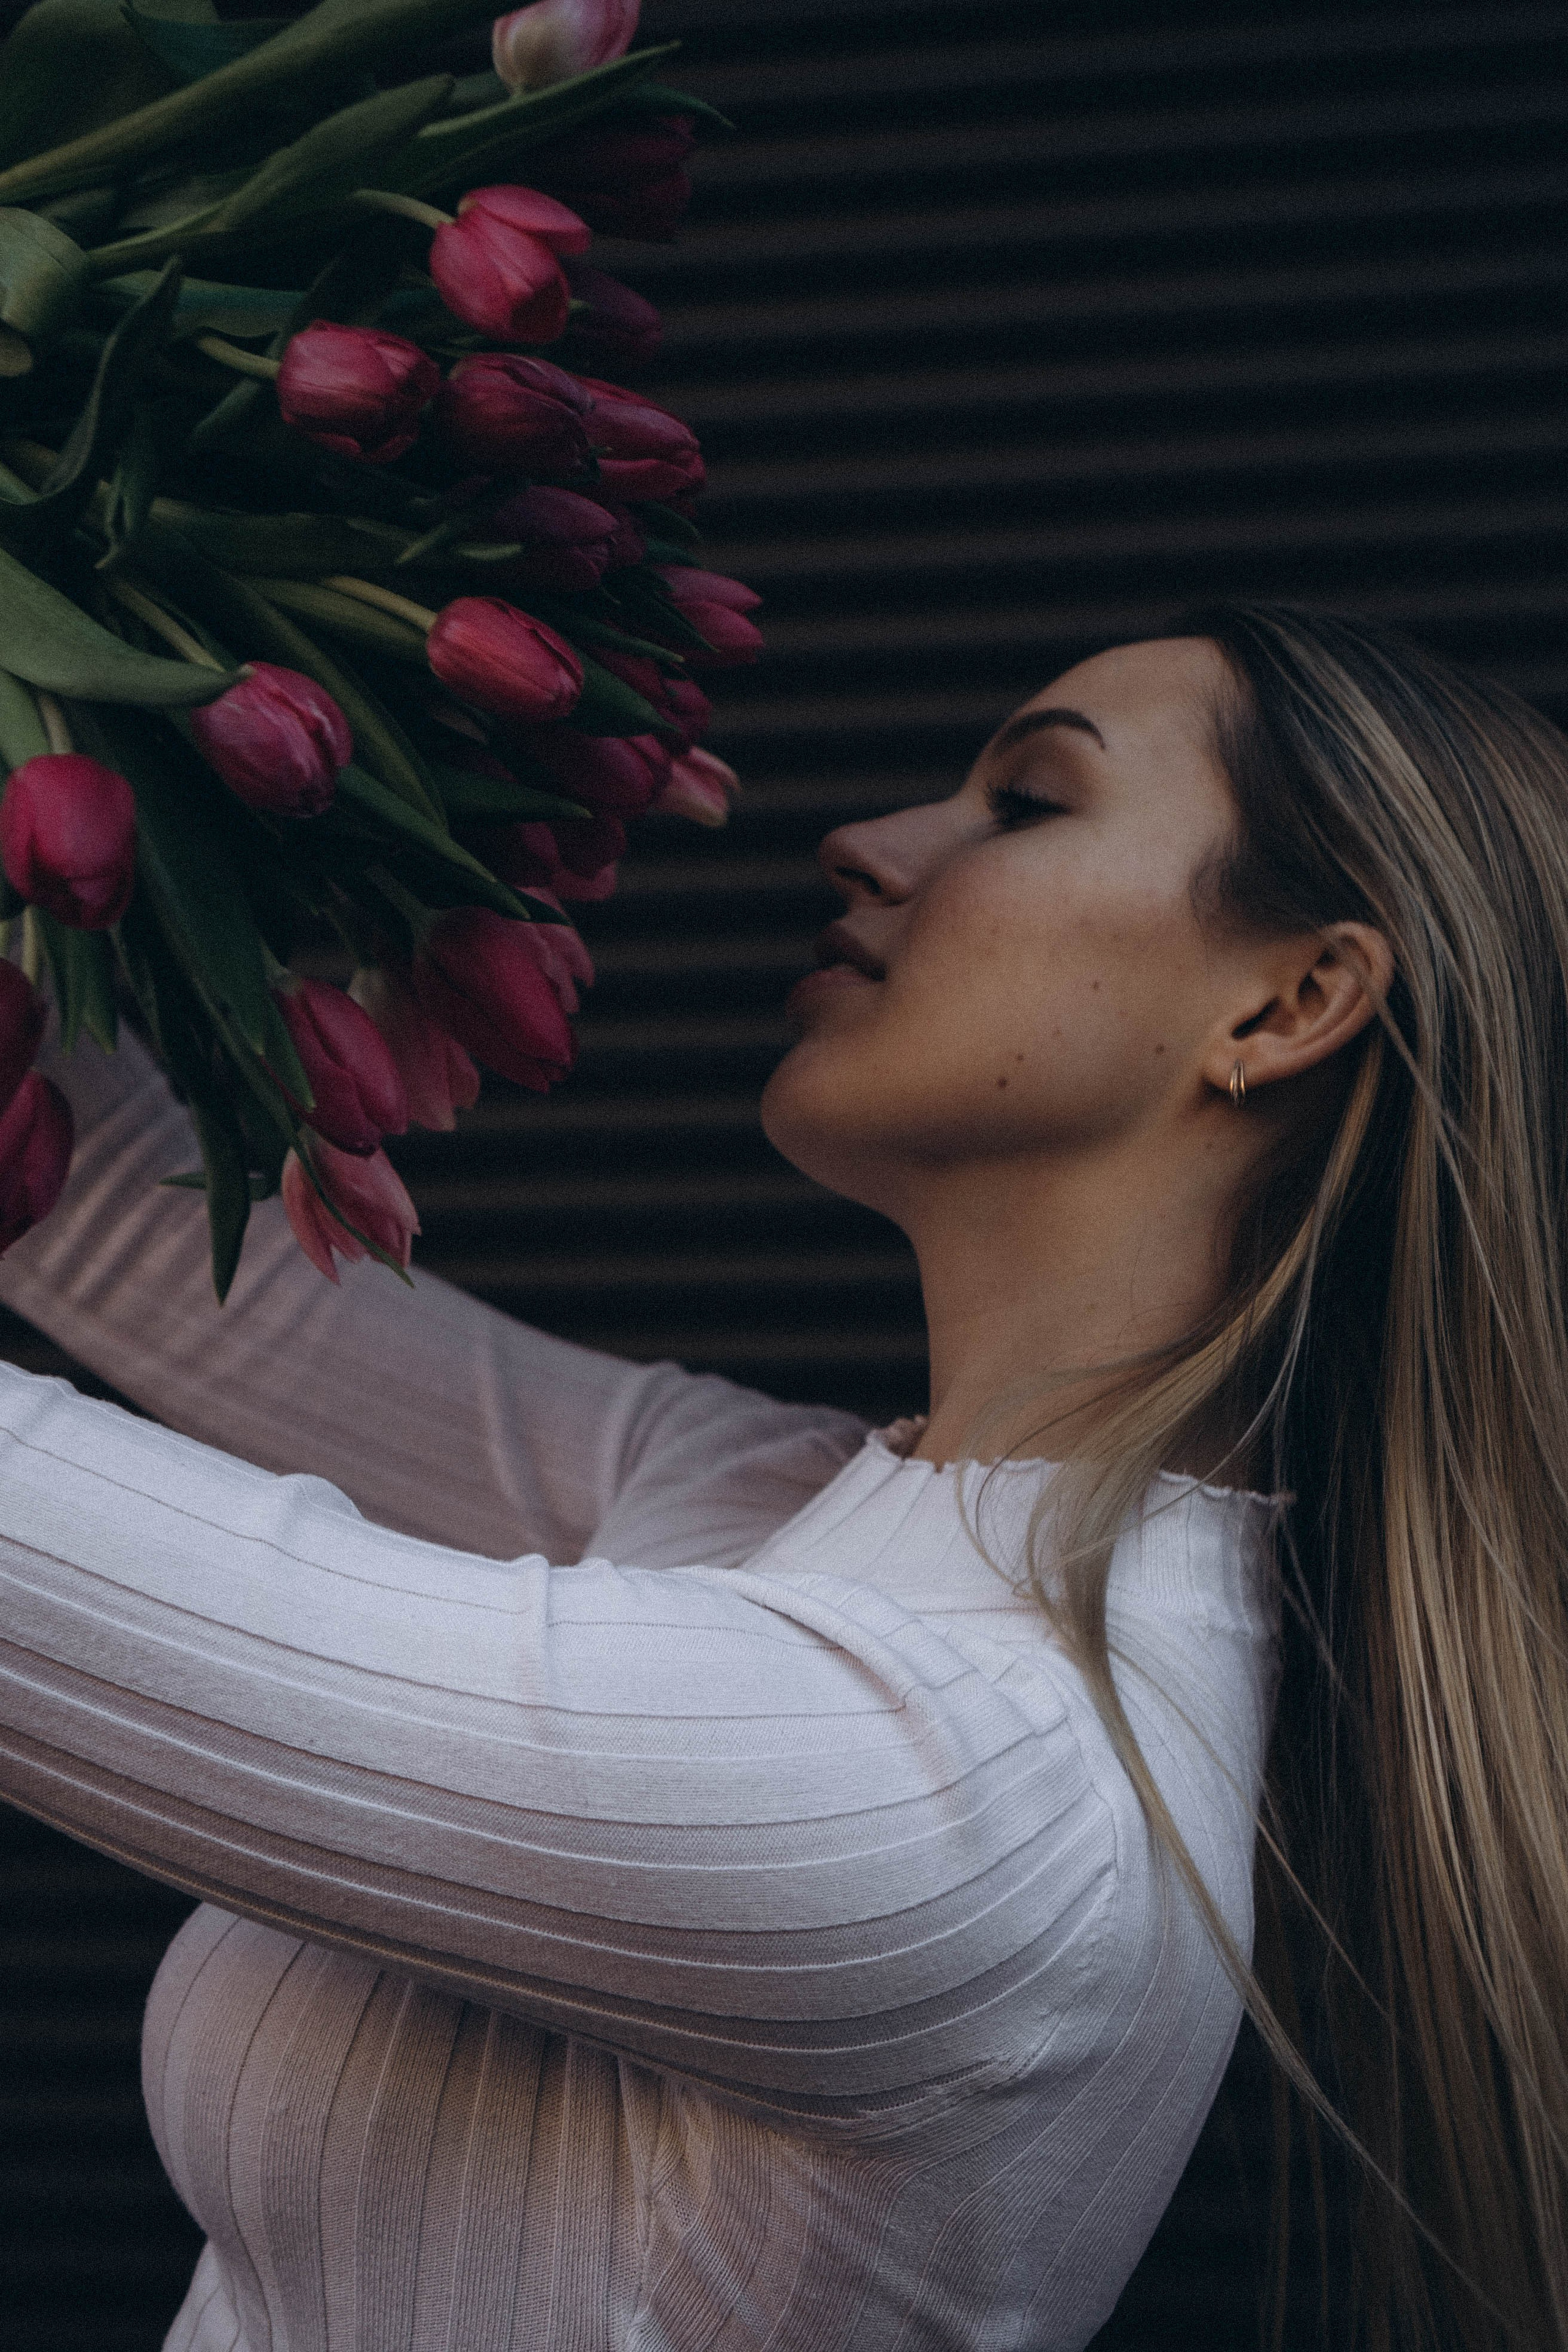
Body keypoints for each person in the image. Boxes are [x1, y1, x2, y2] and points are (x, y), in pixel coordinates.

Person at [0, 603, 1561, 2352]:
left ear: (1291, 1000)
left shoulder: (978, 1789)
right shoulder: (778, 1499)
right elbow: (112, 1225)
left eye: (1028, 803)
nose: (869, 841)